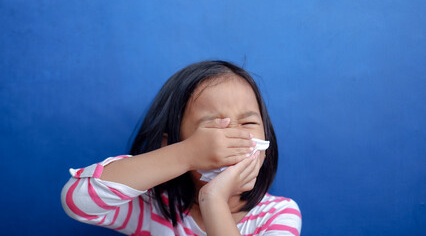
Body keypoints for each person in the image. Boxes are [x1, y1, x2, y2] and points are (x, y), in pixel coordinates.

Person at [61, 60, 302, 235]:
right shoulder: (152, 209)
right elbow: (77, 201)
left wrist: (214, 199)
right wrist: (186, 154)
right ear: (171, 143)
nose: (235, 136)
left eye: (248, 123)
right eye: (215, 128)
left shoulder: (278, 214)